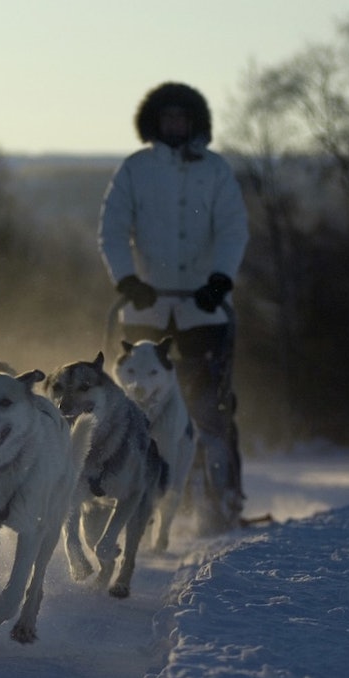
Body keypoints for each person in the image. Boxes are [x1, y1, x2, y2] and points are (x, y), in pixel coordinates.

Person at [97, 81, 249, 535]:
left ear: (196, 123)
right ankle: (132, 495)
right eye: (168, 118)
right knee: (137, 408)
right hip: (146, 310)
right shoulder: (136, 170)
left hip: (204, 310)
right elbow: (112, 228)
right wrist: (128, 280)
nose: (175, 125)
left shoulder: (215, 171)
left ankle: (221, 499)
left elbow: (233, 228)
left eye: (183, 118)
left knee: (208, 405)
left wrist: (220, 278)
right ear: (154, 123)